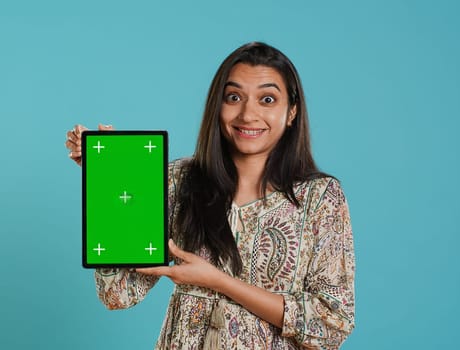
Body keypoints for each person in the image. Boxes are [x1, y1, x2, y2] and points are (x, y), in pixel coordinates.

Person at [65, 42, 355, 349]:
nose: (248, 113)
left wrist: (218, 281)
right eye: (233, 97)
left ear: (292, 112)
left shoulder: (319, 197)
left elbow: (331, 323)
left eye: (267, 99)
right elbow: (118, 293)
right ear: (217, 106)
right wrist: (112, 179)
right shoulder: (176, 180)